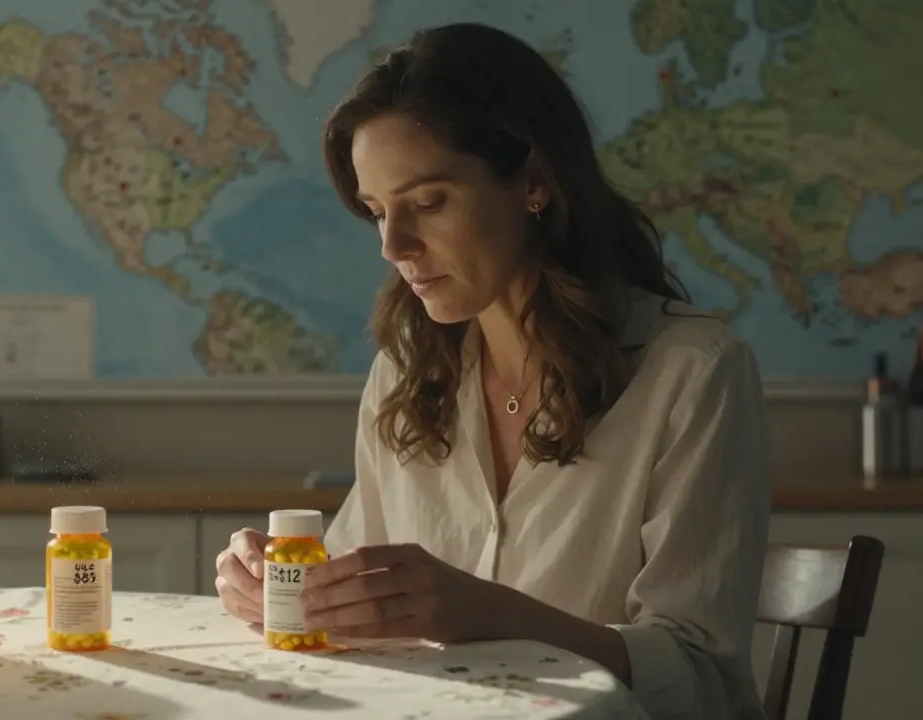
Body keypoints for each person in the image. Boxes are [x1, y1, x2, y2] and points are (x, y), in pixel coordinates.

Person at [214, 21, 770, 720]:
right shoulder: (404, 376)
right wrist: (285, 588)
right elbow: (356, 615)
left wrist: (491, 613)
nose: (393, 245)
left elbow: (702, 681)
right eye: (378, 212)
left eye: (427, 203)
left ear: (533, 182)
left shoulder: (693, 374)